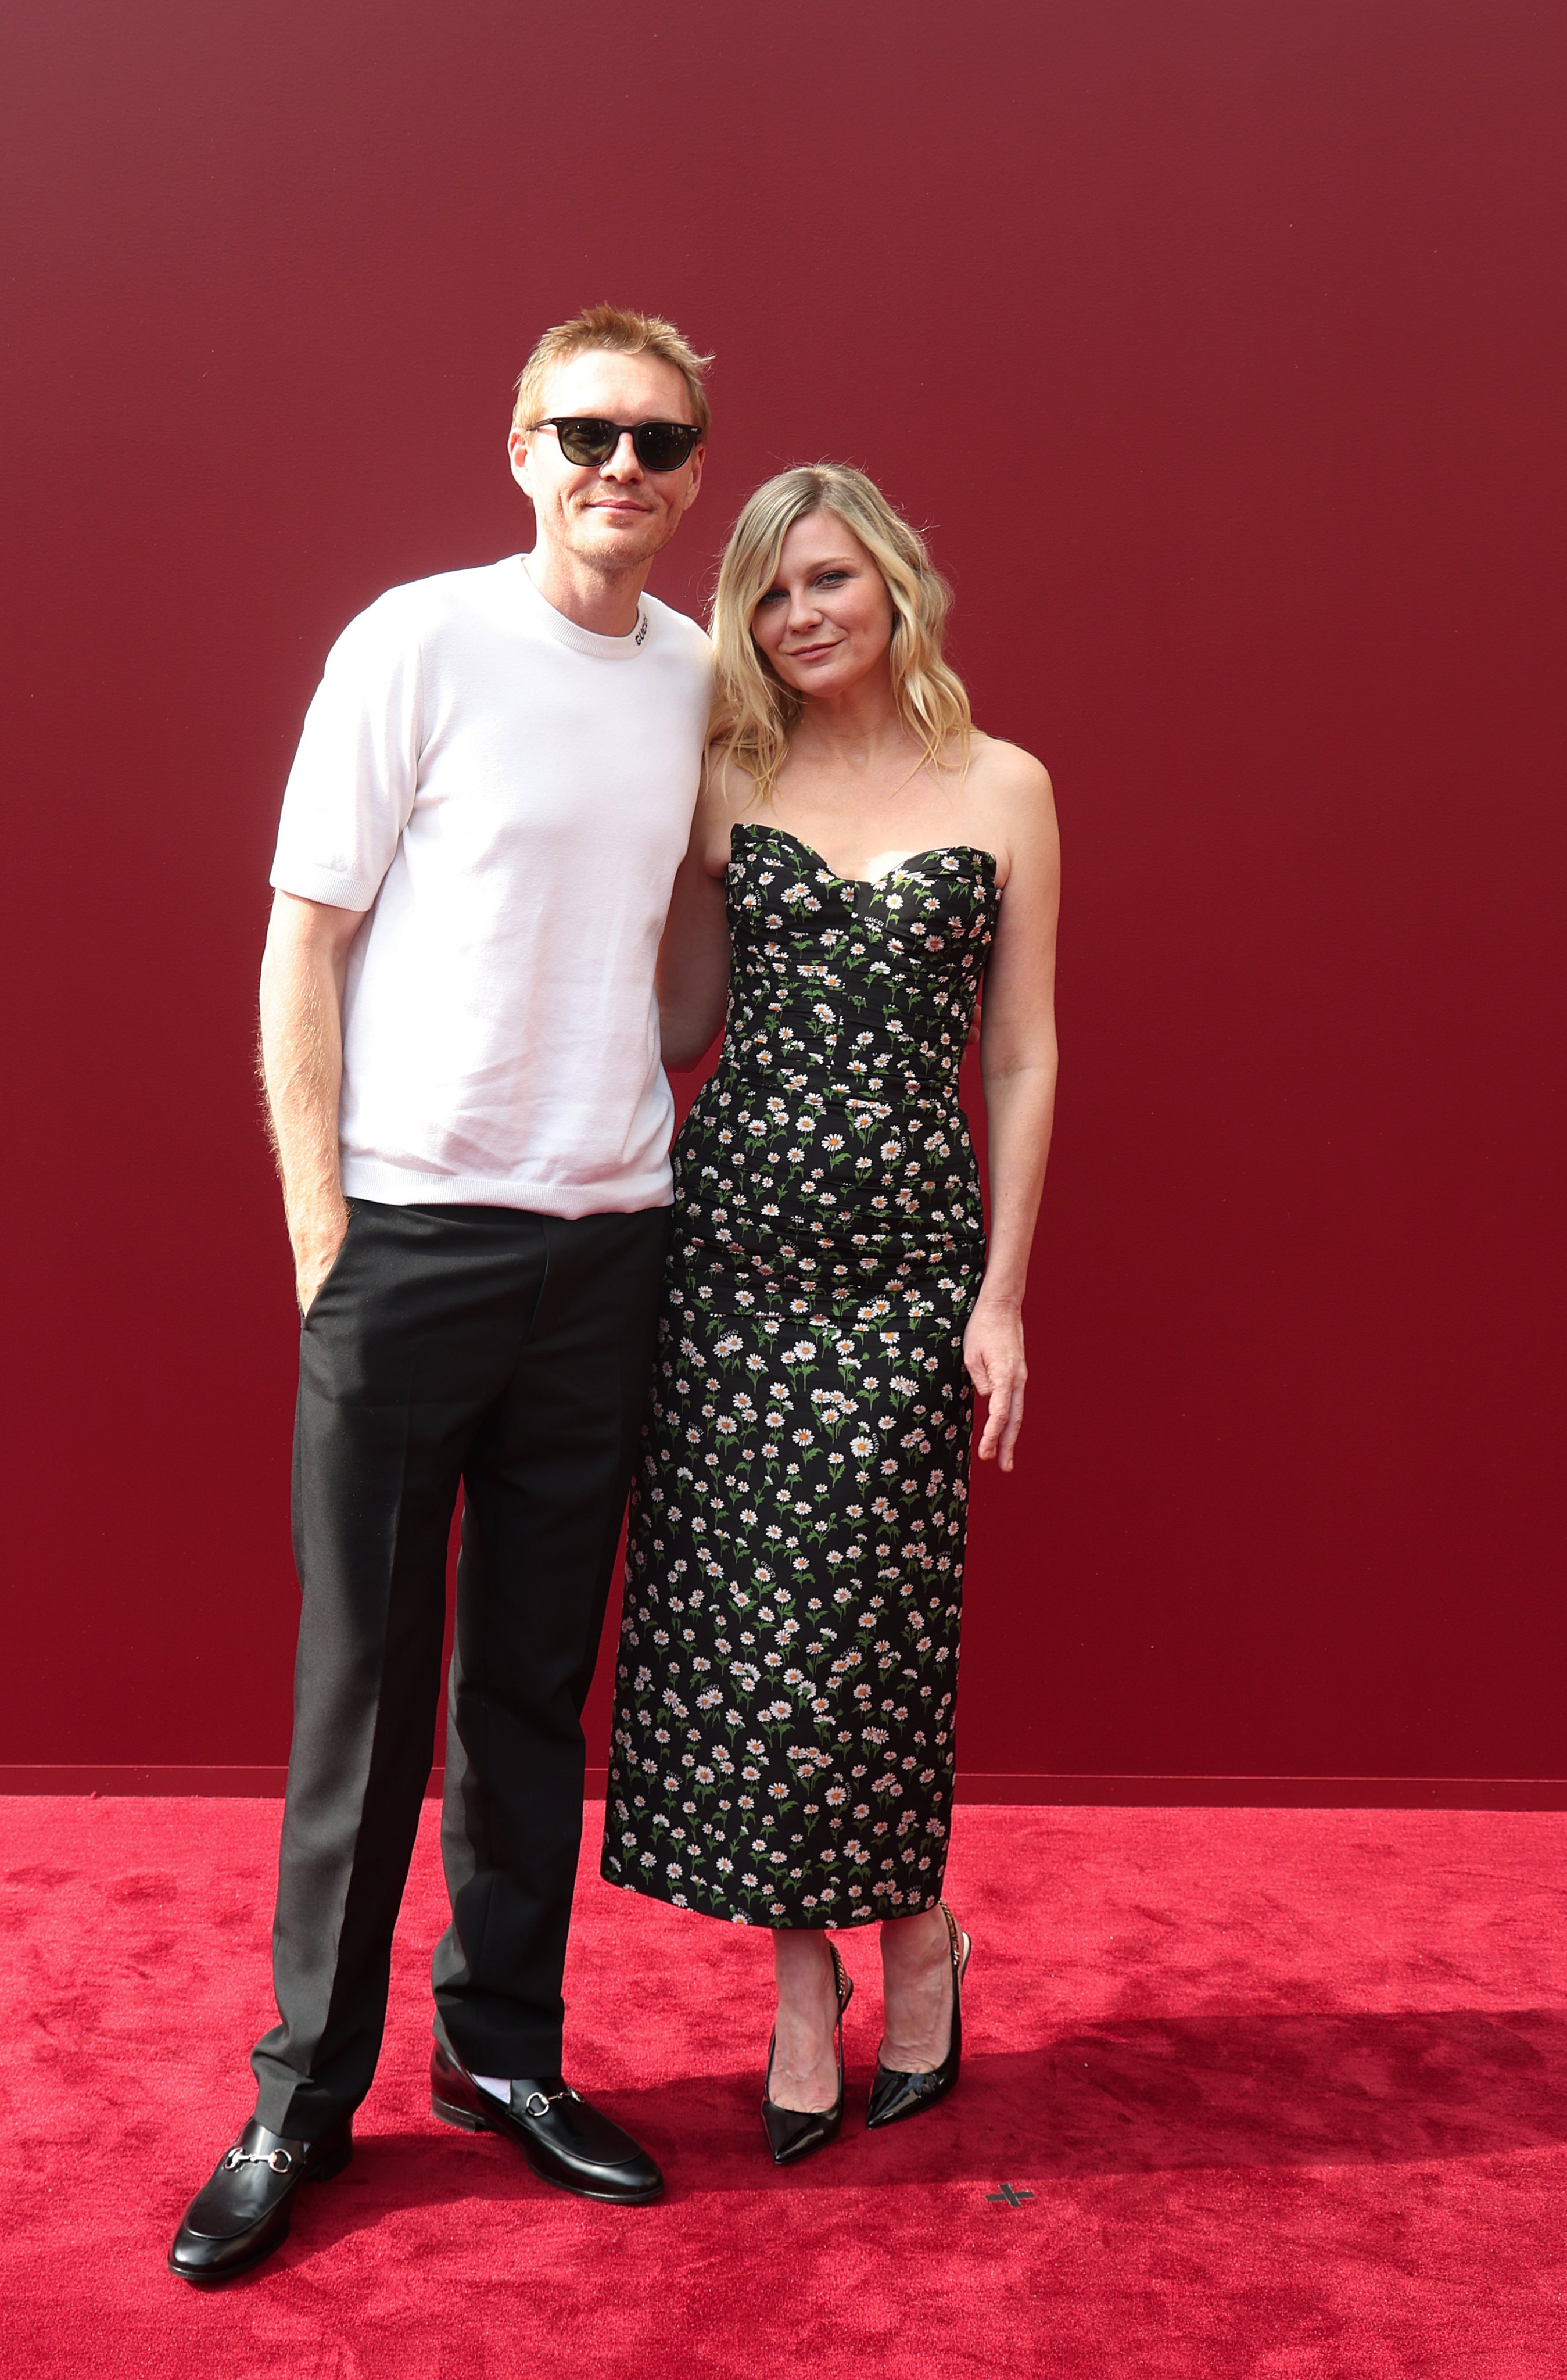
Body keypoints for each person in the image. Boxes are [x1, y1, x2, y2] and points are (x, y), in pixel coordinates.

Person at [169, 306, 713, 2281]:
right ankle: (302, 2097)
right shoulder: (416, 640)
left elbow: (671, 956)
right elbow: (298, 944)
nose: (621, 471)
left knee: (532, 1701)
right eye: (588, 432)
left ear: (690, 474)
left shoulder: (692, 680)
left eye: (661, 443)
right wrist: (325, 1238)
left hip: (609, 1252)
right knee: (366, 1703)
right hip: (409, 1244)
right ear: (518, 445)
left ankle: (503, 2055)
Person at [601, 464, 1059, 2164]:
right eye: (771, 592)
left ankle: (916, 1937)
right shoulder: (729, 779)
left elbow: (1017, 1053)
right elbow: (680, 1014)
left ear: (893, 586)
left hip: (905, 1280)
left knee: (872, 1631)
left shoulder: (1003, 788)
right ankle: (805, 1989)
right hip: (727, 1267)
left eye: (827, 580)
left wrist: (998, 1297)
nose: (800, 614)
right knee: (744, 1636)